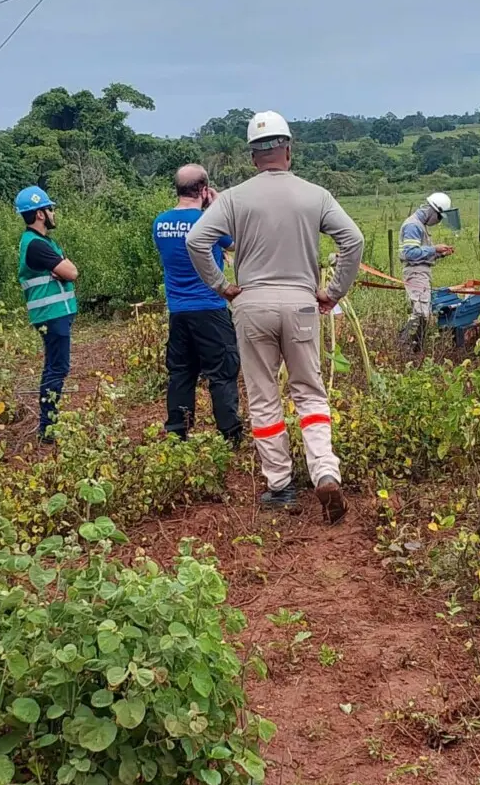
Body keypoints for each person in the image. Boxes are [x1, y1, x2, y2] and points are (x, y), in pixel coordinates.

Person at [186, 111, 364, 522]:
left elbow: (198, 241)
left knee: (265, 396)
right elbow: (352, 240)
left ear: (253, 157)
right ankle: (324, 471)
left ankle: (280, 486)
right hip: (302, 303)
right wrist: (333, 291)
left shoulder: (233, 197)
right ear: (288, 148)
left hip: (252, 305)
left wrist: (221, 286)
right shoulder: (315, 195)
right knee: (310, 392)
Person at [153, 164, 242, 445]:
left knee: (181, 372)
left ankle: (178, 432)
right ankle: (230, 434)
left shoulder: (160, 223)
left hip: (178, 312)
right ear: (204, 190)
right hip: (210, 307)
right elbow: (234, 245)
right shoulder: (209, 222)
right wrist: (218, 208)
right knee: (222, 372)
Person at [15, 186, 78, 441]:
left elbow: (68, 268)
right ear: (40, 214)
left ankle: (48, 425)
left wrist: (63, 267)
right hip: (51, 315)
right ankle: (48, 428)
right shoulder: (37, 245)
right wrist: (62, 268)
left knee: (54, 366)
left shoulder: (42, 243)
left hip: (54, 314)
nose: (53, 213)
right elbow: (72, 272)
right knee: (57, 368)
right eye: (50, 209)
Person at [399, 192, 456, 349]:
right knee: (420, 314)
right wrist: (433, 248)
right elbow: (410, 253)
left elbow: (420, 254)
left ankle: (415, 348)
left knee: (423, 314)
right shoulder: (413, 226)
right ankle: (404, 347)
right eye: (438, 217)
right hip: (416, 273)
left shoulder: (420, 226)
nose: (438, 222)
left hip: (421, 272)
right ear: (432, 211)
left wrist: (439, 254)